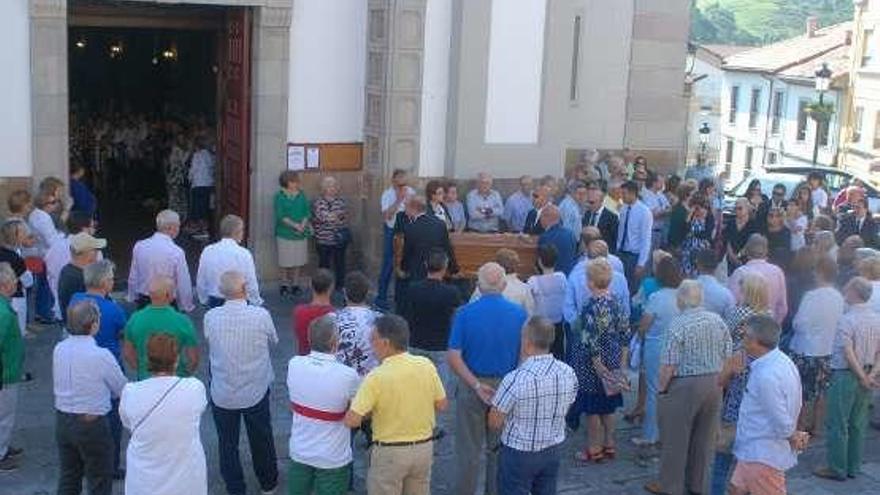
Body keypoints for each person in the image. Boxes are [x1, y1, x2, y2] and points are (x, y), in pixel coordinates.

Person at [644, 281, 732, 495]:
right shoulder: (717, 320)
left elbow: (668, 365)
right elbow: (728, 354)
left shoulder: (678, 324)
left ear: (680, 299)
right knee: (703, 443)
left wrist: (662, 391)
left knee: (675, 442)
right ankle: (697, 486)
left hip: (685, 385)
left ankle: (671, 487)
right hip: (713, 384)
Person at [344, 315, 448, 494]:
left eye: (372, 339)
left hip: (390, 454)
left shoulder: (376, 376)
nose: (370, 343)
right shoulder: (426, 365)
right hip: (423, 450)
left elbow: (352, 420)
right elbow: (442, 405)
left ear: (385, 343)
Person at [448, 262, 527, 495]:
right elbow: (524, 356)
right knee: (499, 448)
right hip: (505, 385)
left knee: (468, 450)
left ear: (478, 286)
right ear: (503, 285)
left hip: (472, 384)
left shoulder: (464, 314)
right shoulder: (520, 314)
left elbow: (454, 356)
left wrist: (475, 384)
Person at [204, 271, 279, 495]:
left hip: (223, 390)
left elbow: (209, 339)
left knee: (227, 443)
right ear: (245, 289)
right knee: (262, 438)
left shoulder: (211, 317)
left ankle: (235, 488)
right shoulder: (261, 315)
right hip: (255, 387)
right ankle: (268, 482)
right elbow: (274, 339)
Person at [488, 316, 577, 494]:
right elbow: (567, 406)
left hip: (518, 453)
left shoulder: (515, 379)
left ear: (527, 343)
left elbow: (494, 423)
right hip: (552, 449)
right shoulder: (568, 372)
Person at [54, 300, 128, 495]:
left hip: (63, 419)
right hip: (91, 422)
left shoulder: (59, 349)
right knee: (99, 478)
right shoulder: (101, 355)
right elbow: (121, 388)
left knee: (69, 476)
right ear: (93, 324)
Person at [119, 334, 208, 495]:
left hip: (144, 484)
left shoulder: (130, 392)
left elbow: (128, 423)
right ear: (176, 359)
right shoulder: (194, 388)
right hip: (187, 482)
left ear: (148, 360)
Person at [729, 315, 807, 495]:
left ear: (754, 341)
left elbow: (781, 420)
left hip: (762, 454)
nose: (741, 340)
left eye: (744, 336)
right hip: (753, 450)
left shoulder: (766, 376)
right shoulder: (782, 361)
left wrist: (792, 435)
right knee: (735, 488)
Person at [814, 277, 880, 481]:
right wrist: (871, 376)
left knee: (838, 422)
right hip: (868, 373)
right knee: (858, 423)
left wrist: (862, 376)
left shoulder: (847, 319)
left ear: (854, 293)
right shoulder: (877, 318)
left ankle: (837, 467)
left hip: (845, 374)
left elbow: (848, 352)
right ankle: (853, 466)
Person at [712, 273, 771, 494]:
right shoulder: (769, 316)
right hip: (757, 382)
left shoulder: (741, 313)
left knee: (722, 454)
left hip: (736, 372)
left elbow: (725, 333)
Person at [287, 315, 360, 494]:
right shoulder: (348, 375)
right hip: (332, 456)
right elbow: (356, 413)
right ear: (335, 342)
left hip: (300, 450)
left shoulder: (294, 364)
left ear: (310, 339)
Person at [69, 260, 128, 475]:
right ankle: (110, 466)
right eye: (112, 278)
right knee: (112, 419)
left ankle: (84, 461)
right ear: (104, 282)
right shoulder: (113, 309)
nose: (113, 282)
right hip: (108, 366)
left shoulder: (75, 300)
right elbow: (123, 332)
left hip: (80, 366)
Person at [568, 258, 630, 462]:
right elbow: (624, 332)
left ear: (591, 282)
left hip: (591, 363)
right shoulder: (616, 301)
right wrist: (622, 360)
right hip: (613, 357)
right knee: (609, 405)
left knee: (592, 408)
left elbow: (590, 338)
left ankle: (594, 448)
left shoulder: (590, 306)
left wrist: (597, 364)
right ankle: (609, 444)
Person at [789, 256, 845, 435]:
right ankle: (818, 426)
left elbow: (799, 324)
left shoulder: (811, 296)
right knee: (821, 391)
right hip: (827, 348)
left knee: (803, 391)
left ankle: (802, 426)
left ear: (820, 272)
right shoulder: (839, 296)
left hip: (806, 348)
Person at [631, 257, 682, 448]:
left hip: (656, 346)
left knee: (654, 391)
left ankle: (650, 434)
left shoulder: (657, 297)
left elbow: (644, 325)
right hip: (677, 346)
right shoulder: (682, 296)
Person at [399, 251, 461, 385]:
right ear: (445, 267)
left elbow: (405, 316)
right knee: (440, 390)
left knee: (415, 387)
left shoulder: (413, 289)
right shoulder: (452, 293)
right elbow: (455, 320)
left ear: (426, 265)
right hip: (441, 347)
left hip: (416, 344)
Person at [123, 276, 199, 380]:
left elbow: (128, 353)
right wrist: (186, 375)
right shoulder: (183, 321)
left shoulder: (135, 319)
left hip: (146, 378)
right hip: (176, 377)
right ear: (169, 295)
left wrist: (141, 371)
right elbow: (194, 358)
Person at [127, 209, 194, 312]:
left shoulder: (140, 246)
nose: (179, 229)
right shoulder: (177, 252)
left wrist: (132, 296)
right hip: (168, 302)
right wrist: (186, 306)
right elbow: (183, 283)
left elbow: (133, 276)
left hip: (144, 301)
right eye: (178, 226)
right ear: (172, 227)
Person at [398, 195, 457, 307]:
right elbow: (448, 248)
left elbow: (407, 252)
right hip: (437, 271)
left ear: (413, 208)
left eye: (406, 208)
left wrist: (403, 269)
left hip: (418, 273)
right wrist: (454, 269)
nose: (405, 212)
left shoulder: (411, 228)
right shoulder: (439, 224)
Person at [196, 214, 262, 308]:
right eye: (242, 230)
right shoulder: (244, 253)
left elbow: (201, 279)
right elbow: (251, 281)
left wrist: (204, 299)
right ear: (237, 232)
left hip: (214, 299)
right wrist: (256, 301)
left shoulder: (208, 250)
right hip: (238, 300)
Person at [564, 236, 631, 325]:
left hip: (586, 329)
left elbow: (568, 307)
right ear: (608, 256)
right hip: (611, 329)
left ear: (587, 256)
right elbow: (625, 308)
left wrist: (578, 326)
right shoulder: (620, 279)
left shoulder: (575, 276)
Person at [46, 211, 98, 320]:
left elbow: (49, 272)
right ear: (84, 229)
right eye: (92, 226)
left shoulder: (55, 246)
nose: (94, 230)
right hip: (86, 311)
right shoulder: (92, 249)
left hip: (60, 304)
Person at [728, 234, 788, 324]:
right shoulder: (777, 271)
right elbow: (782, 308)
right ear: (766, 251)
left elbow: (731, 306)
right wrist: (774, 326)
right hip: (769, 329)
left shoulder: (739, 273)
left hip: (745, 331)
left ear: (746, 251)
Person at [27, 184, 64, 323]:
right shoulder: (44, 218)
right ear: (46, 204)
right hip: (45, 255)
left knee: (41, 284)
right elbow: (51, 240)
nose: (55, 204)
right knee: (46, 285)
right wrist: (61, 237)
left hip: (39, 254)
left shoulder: (35, 214)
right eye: (53, 202)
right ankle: (45, 313)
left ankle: (41, 312)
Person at [378, 169, 414, 308]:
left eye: (404, 182)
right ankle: (381, 298)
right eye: (399, 183)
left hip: (407, 230)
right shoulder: (387, 194)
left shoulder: (411, 192)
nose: (402, 186)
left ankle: (402, 297)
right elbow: (387, 215)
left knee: (405, 264)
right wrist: (398, 200)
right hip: (392, 231)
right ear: (393, 181)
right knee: (388, 263)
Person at [0, 263, 24, 472]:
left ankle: (3, 447)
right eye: (13, 280)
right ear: (4, 285)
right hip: (6, 374)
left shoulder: (4, 307)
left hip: (8, 370)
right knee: (4, 416)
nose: (17, 282)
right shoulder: (3, 313)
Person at [335, 271, 382, 377]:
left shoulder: (331, 319)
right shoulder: (382, 321)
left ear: (344, 292)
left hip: (340, 381)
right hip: (371, 381)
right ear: (367, 293)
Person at [527, 244, 568, 360]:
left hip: (540, 326)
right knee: (558, 356)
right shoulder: (562, 277)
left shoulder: (533, 281)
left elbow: (528, 302)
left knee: (540, 357)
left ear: (539, 261)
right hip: (558, 324)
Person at [275, 171, 311, 298]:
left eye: (296, 181)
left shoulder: (301, 195)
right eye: (293, 181)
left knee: (298, 260)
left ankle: (295, 284)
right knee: (285, 260)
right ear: (287, 182)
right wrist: (295, 225)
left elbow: (307, 211)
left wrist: (302, 225)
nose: (296, 183)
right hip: (285, 233)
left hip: (300, 232)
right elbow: (281, 215)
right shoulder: (279, 196)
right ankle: (284, 284)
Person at [58, 232, 106, 324]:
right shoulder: (80, 278)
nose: (98, 253)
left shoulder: (66, 270)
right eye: (95, 250)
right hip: (83, 329)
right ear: (85, 254)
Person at [471, 248, 536, 315]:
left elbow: (471, 308)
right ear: (516, 266)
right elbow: (530, 315)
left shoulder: (484, 286)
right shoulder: (524, 289)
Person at [312, 176, 350, 289]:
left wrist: (332, 217)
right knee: (324, 266)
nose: (332, 188)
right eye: (329, 186)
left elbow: (343, 217)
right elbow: (322, 217)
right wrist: (333, 217)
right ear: (324, 188)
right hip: (323, 240)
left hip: (338, 240)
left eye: (334, 186)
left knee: (340, 264)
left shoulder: (341, 202)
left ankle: (340, 285)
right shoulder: (319, 202)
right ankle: (323, 287)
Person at [617, 180, 653, 293]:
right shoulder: (623, 209)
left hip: (634, 255)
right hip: (621, 252)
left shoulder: (644, 212)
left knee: (632, 287)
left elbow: (646, 239)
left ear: (633, 193)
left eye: (624, 194)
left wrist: (641, 263)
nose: (622, 197)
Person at [293, 269, 335, 356]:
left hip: (304, 360)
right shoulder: (335, 316)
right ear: (331, 287)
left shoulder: (299, 312)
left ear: (311, 285)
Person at [0, 220, 32, 335]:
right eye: (23, 232)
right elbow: (28, 282)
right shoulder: (15, 258)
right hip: (16, 298)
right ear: (16, 236)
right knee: (17, 332)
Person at [680, 192, 714, 277]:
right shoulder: (692, 216)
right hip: (688, 249)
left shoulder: (709, 217)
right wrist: (690, 214)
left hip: (701, 248)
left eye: (701, 208)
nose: (700, 211)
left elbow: (707, 234)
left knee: (698, 273)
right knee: (686, 273)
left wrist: (693, 234)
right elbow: (685, 229)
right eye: (696, 208)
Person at [537, 204, 578, 274]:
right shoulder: (571, 234)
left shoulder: (545, 237)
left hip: (553, 277)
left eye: (540, 217)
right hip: (569, 276)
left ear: (546, 217)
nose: (540, 220)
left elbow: (543, 262)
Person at [723, 198, 758, 275]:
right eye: (735, 208)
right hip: (731, 257)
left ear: (747, 208)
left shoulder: (753, 224)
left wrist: (738, 256)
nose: (737, 211)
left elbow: (751, 242)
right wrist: (731, 256)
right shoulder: (731, 222)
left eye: (740, 208)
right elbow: (727, 239)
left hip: (746, 259)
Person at [695, 249, 735, 317]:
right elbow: (731, 320)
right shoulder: (726, 294)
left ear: (698, 265)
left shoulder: (684, 290)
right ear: (717, 266)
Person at [583, 181, 619, 252]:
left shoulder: (612, 218)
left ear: (603, 195)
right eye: (589, 190)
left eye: (594, 189)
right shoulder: (586, 215)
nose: (590, 193)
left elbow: (614, 242)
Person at [188, 137, 215, 233]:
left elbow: (193, 170)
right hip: (208, 184)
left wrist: (189, 179)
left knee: (198, 208)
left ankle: (201, 229)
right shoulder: (210, 156)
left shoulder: (197, 155)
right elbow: (213, 167)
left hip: (198, 184)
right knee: (205, 206)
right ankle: (205, 228)